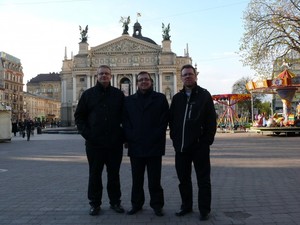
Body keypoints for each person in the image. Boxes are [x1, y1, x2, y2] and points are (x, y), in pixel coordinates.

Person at [74, 65, 125, 216]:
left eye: (107, 74)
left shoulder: (118, 94)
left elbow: (125, 117)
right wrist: (88, 134)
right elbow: (79, 116)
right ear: (97, 76)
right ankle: (95, 204)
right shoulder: (88, 94)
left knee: (114, 175)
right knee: (95, 174)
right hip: (94, 143)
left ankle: (115, 202)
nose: (104, 76)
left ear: (111, 76)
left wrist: (121, 136)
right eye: (101, 73)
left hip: (114, 143)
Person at [169, 64, 217, 221]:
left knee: (203, 180)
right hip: (181, 147)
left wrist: (206, 141)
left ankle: (204, 210)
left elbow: (211, 121)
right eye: (185, 75)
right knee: (183, 180)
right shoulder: (177, 98)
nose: (187, 77)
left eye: (190, 74)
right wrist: (175, 140)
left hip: (199, 146)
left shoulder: (204, 95)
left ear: (196, 76)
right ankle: (186, 206)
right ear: (181, 78)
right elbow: (173, 121)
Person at [123, 71, 169, 217]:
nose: (144, 82)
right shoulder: (129, 100)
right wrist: (131, 137)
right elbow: (126, 121)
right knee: (137, 179)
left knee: (155, 179)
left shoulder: (160, 99)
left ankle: (157, 205)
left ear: (151, 82)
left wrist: (155, 136)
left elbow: (164, 121)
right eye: (141, 80)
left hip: (154, 145)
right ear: (136, 83)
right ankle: (136, 204)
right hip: (136, 145)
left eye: (146, 79)